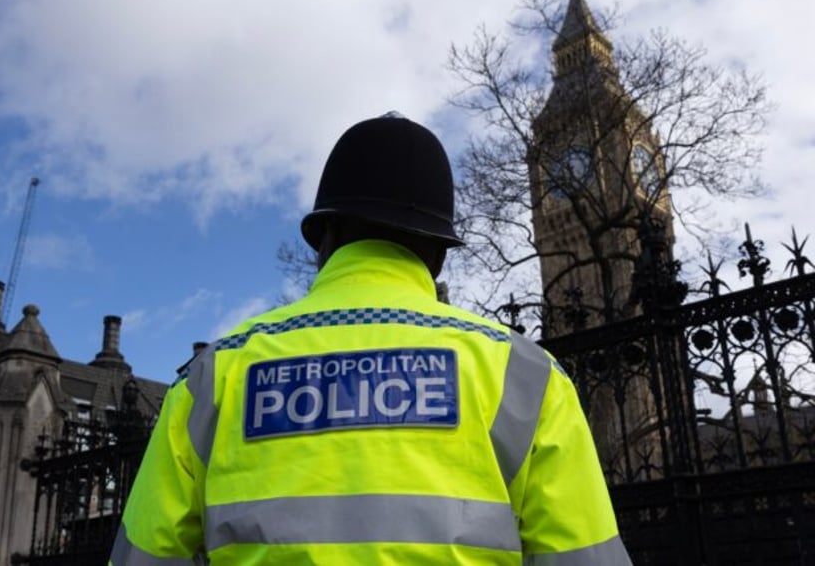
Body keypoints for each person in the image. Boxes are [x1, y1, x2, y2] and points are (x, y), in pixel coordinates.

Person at [110, 113, 632, 565]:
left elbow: (145, 555)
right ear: (439, 252)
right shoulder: (525, 376)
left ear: (326, 237)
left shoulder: (215, 377)